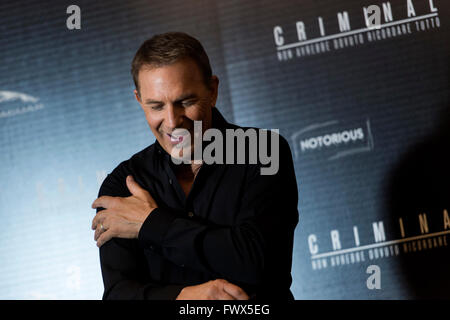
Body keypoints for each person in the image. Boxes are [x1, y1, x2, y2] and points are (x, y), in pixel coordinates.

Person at [91, 32, 299, 300]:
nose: (171, 121)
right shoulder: (122, 185)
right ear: (139, 100)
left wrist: (150, 223)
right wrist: (188, 298)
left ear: (212, 90)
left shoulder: (263, 151)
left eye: (185, 102)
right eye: (156, 106)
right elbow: (120, 296)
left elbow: (261, 262)